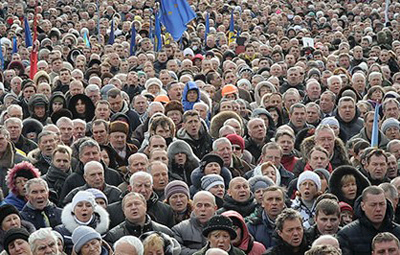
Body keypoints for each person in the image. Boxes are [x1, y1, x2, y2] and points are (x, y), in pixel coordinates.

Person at [337, 186, 400, 255]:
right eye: (373, 205)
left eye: (382, 204)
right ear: (363, 206)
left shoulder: (398, 231)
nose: (378, 209)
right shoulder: (347, 235)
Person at [107, 171, 174, 229]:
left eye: (147, 186)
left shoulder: (166, 210)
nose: (143, 190)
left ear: (152, 188)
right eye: (139, 186)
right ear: (130, 188)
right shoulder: (112, 211)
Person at [104, 192, 173, 244]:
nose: (134, 207)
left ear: (145, 207)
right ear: (123, 211)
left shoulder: (164, 232)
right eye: (129, 205)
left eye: (137, 203)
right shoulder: (113, 236)